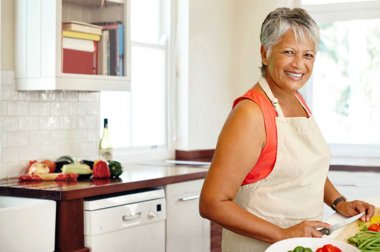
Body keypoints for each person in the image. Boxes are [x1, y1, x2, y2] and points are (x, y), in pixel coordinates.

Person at [199, 7, 375, 251]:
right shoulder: (250, 113)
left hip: (299, 245)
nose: (299, 64)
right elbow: (212, 203)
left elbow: (304, 168)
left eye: (308, 55)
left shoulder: (297, 100)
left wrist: (339, 203)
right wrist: (282, 234)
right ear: (265, 53)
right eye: (289, 52)